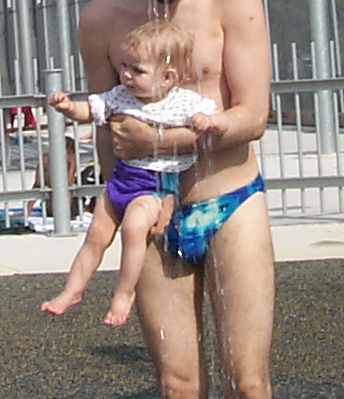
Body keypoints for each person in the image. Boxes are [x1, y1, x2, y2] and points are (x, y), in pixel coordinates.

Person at [78, 0, 277, 399]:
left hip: (229, 198)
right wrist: (118, 203)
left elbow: (251, 116)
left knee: (249, 385)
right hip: (151, 207)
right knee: (179, 388)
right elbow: (109, 128)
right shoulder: (102, 18)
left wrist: (160, 143)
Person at [42, 21, 216, 327]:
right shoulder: (121, 96)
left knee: (133, 229)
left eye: (137, 70)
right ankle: (72, 290)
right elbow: (91, 110)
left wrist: (205, 120)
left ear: (167, 77)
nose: (126, 75)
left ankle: (124, 293)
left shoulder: (183, 102)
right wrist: (69, 108)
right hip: (122, 179)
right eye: (124, 66)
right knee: (95, 237)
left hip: (155, 186)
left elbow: (211, 118)